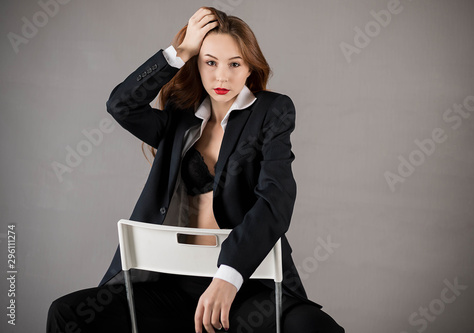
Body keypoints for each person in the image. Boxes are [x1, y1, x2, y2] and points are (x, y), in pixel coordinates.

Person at [47, 6, 345, 333]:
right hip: (172, 286)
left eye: (234, 64)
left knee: (313, 328)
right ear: (198, 65)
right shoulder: (180, 117)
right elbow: (121, 105)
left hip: (242, 286)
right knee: (67, 313)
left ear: (249, 68)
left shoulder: (272, 112)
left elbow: (276, 200)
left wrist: (229, 276)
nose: (221, 76)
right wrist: (179, 51)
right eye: (210, 62)